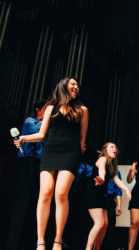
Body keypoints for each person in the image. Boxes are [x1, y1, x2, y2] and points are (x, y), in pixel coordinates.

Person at [13, 77, 89, 250]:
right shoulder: (50, 108)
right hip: (51, 151)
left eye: (77, 85)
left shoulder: (82, 110)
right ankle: (40, 241)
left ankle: (58, 240)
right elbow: (41, 134)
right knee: (46, 192)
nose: (76, 87)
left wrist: (78, 156)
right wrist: (23, 138)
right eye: (73, 84)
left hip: (71, 153)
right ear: (63, 87)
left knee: (61, 193)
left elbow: (82, 140)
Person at [6, 100, 46, 250]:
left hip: (39, 164)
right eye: (45, 110)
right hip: (28, 161)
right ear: (38, 110)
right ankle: (13, 244)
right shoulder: (31, 121)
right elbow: (42, 133)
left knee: (35, 203)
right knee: (22, 201)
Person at [85, 142, 131, 250]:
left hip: (102, 194)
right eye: (112, 147)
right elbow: (101, 170)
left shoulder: (112, 165)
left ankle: (98, 248)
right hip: (93, 192)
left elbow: (117, 180)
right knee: (99, 223)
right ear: (105, 150)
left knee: (105, 224)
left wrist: (126, 189)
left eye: (115, 147)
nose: (115, 148)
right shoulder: (103, 159)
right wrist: (102, 178)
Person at [100, 169, 123, 250]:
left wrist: (119, 205)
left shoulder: (116, 172)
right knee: (100, 225)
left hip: (110, 200)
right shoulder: (98, 169)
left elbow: (118, 190)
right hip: (98, 199)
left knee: (110, 227)